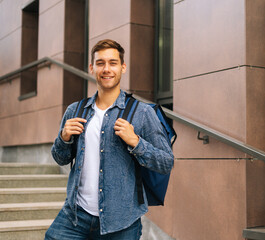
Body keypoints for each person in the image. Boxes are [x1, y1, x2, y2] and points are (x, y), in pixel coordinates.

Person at [45, 39, 174, 239]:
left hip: (122, 221)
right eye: (100, 63)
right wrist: (63, 138)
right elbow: (60, 158)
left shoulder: (141, 113)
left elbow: (166, 162)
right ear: (91, 68)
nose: (106, 69)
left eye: (113, 63)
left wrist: (136, 142)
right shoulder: (75, 110)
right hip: (75, 216)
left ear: (123, 68)